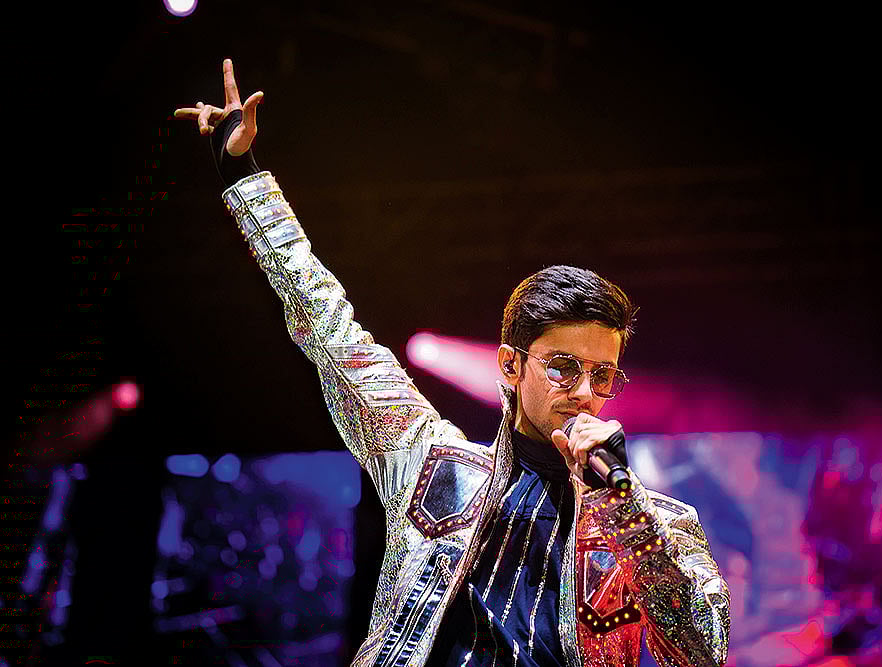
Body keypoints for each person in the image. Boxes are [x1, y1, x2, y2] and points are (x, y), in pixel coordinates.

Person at [175, 58, 730, 667]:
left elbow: (703, 652)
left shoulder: (657, 524)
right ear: (510, 365)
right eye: (563, 367)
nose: (584, 391)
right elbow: (328, 324)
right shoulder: (431, 463)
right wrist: (244, 175)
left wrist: (623, 510)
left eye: (602, 375)